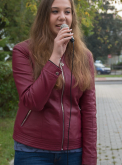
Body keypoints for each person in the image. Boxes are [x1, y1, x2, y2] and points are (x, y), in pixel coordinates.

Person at [12, 0, 97, 164]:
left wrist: (90, 158)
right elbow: (33, 101)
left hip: (73, 152)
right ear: (44, 15)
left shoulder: (85, 57)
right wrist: (55, 57)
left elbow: (89, 113)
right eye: (55, 11)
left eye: (67, 12)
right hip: (33, 151)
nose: (62, 17)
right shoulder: (23, 51)